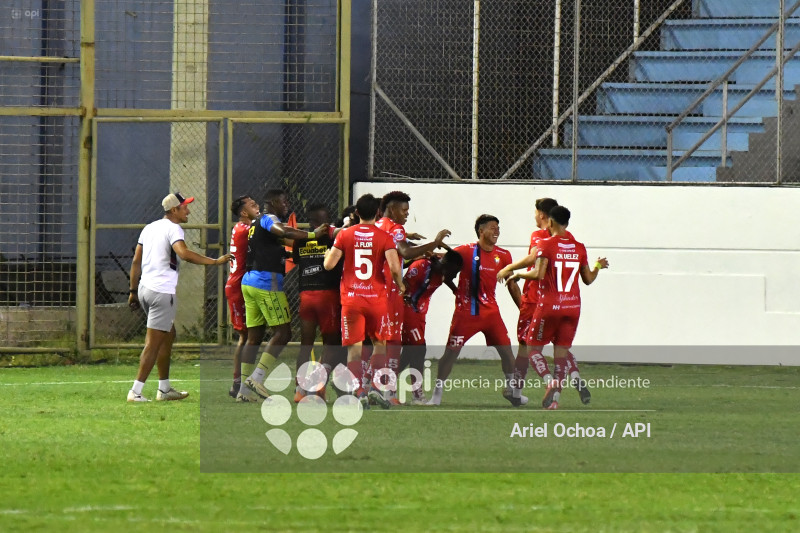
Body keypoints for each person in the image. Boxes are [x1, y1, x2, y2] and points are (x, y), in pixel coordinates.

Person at [127, 192, 232, 402]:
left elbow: (136, 261)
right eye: (185, 207)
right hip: (161, 292)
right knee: (153, 342)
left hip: (145, 289)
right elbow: (183, 253)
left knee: (168, 334)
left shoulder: (149, 227)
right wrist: (215, 262)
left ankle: (164, 389)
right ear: (174, 210)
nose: (188, 210)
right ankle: (136, 391)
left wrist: (132, 291)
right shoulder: (173, 228)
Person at [509, 206, 609, 410]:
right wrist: (598, 266)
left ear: (551, 222)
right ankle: (554, 401)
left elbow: (538, 273)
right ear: (568, 223)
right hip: (573, 307)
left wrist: (518, 275)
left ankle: (549, 381)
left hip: (549, 306)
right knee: (561, 354)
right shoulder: (579, 247)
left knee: (532, 347)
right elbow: (588, 279)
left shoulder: (546, 244)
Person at [237, 189, 328, 402]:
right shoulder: (269, 218)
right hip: (265, 283)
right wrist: (314, 235)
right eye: (284, 201)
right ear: (272, 202)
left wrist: (298, 252)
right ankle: (257, 378)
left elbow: (275, 247)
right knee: (284, 333)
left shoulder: (254, 225)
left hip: (249, 281)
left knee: (254, 337)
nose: (287, 205)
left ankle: (244, 390)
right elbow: (283, 232)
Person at [497, 199, 591, 404]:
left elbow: (533, 260)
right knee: (561, 346)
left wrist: (510, 269)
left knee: (527, 345)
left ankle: (516, 390)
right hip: (570, 303)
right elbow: (588, 277)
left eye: (535, 212)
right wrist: (599, 267)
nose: (534, 215)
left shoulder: (541, 237)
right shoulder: (572, 240)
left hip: (539, 300)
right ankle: (572, 380)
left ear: (543, 216)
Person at [427, 214, 523, 406]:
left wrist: (523, 309)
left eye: (498, 227)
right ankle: (436, 396)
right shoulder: (464, 251)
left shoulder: (504, 255)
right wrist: (457, 293)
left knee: (507, 352)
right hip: (466, 314)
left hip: (491, 314)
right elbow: (445, 273)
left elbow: (511, 284)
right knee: (450, 354)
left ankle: (512, 391)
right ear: (481, 231)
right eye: (492, 227)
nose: (496, 231)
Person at [323, 193, 405, 409]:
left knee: (354, 349)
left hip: (351, 300)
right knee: (380, 344)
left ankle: (359, 391)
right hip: (376, 299)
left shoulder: (345, 235)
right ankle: (377, 389)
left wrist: (325, 255)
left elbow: (329, 265)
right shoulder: (385, 237)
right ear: (377, 213)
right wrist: (401, 284)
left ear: (357, 212)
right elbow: (395, 268)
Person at [375, 191, 450, 403]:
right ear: (392, 209)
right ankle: (389, 392)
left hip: (370, 291)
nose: (407, 215)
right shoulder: (395, 228)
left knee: (375, 342)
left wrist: (408, 238)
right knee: (394, 342)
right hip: (390, 292)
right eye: (404, 210)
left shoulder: (376, 226)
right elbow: (405, 253)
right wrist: (435, 242)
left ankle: (366, 386)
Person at [291, 203, 344, 402]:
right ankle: (317, 387)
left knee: (306, 344)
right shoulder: (332, 237)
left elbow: (297, 260)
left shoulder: (301, 239)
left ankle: (299, 390)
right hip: (327, 295)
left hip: (305, 295)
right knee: (331, 344)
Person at [398, 250, 462, 404]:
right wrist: (405, 296)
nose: (455, 276)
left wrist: (455, 290)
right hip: (408, 310)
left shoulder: (442, 265)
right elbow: (404, 284)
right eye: (454, 273)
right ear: (446, 267)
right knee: (419, 349)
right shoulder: (421, 266)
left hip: (420, 313)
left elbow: (445, 276)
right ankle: (417, 393)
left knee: (408, 352)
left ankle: (383, 382)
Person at [224, 195, 260, 398]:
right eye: (253, 205)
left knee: (248, 335)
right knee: (246, 336)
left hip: (240, 284)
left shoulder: (244, 228)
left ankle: (240, 382)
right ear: (244, 213)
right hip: (238, 286)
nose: (258, 206)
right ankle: (239, 382)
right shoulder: (245, 229)